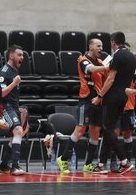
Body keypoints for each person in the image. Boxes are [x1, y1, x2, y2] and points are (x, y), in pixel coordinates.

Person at [56, 39, 108, 174]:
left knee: (95, 133)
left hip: (99, 102)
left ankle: (88, 164)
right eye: (98, 46)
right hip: (86, 101)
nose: (101, 48)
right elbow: (91, 69)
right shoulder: (83, 60)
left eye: (102, 46)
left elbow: (107, 77)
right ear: (91, 47)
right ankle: (63, 159)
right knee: (79, 131)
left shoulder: (101, 62)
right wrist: (107, 67)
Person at [92, 31, 136, 175]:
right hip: (123, 97)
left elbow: (110, 78)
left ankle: (124, 161)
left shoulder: (117, 55)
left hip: (112, 97)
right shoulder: (131, 56)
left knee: (107, 128)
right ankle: (101, 164)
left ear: (113, 42)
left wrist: (100, 95)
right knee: (108, 128)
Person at [0, 45, 26, 175]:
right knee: (18, 131)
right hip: (5, 107)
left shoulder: (14, 70)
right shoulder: (4, 71)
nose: (22, 57)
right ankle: (15, 166)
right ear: (11, 56)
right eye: (19, 55)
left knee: (14, 137)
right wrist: (14, 83)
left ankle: (3, 166)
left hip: (13, 107)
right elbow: (1, 94)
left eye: (23, 55)